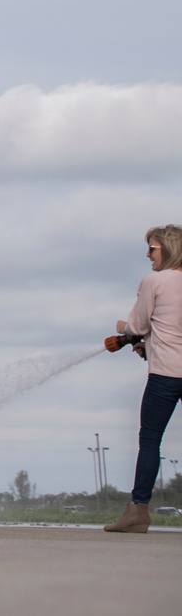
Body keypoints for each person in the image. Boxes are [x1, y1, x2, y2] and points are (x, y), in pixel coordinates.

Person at [105, 224, 182, 534]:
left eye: (152, 248)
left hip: (166, 374)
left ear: (167, 249)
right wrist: (142, 343)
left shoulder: (155, 281)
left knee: (150, 439)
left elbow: (137, 325)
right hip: (165, 361)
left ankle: (138, 512)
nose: (147, 254)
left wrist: (127, 330)